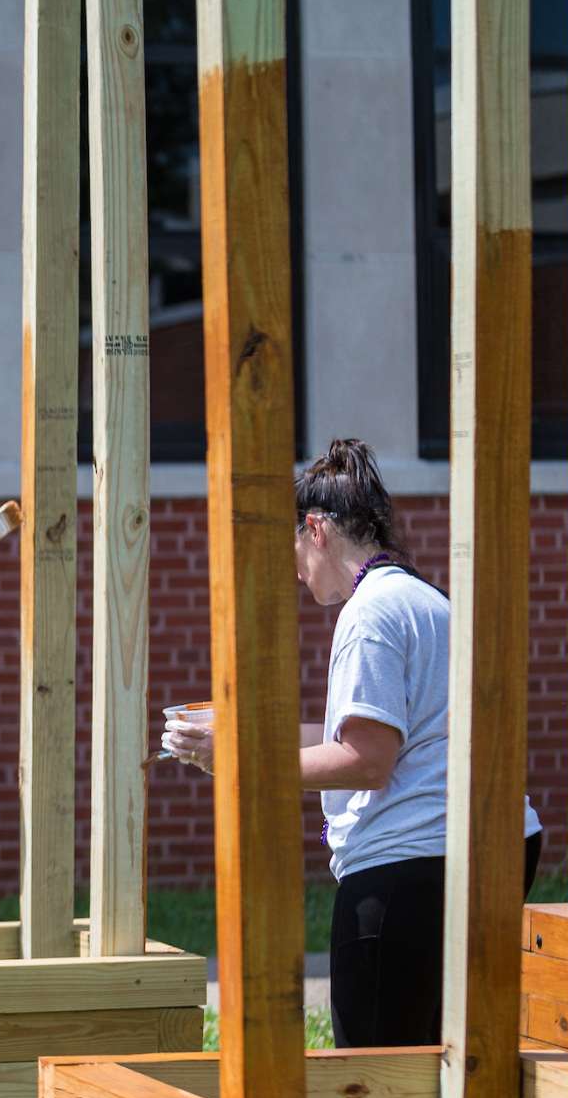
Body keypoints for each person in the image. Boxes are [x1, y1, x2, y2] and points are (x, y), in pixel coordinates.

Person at [161, 438, 542, 1048]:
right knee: (448, 1062)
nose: (293, 567)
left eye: (290, 545)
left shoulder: (370, 615)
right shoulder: (418, 597)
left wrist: (236, 761)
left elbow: (366, 762)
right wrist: (240, 735)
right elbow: (380, 737)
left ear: (315, 529)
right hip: (484, 850)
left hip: (411, 867)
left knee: (373, 1076)